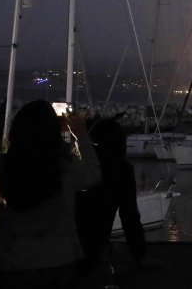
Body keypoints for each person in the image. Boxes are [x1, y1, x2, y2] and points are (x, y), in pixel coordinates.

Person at [0, 100, 101, 289]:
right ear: (53, 133)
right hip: (58, 260)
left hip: (8, 261)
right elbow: (93, 176)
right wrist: (80, 135)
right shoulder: (64, 167)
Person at [74, 116, 146, 286]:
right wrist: (139, 256)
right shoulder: (122, 171)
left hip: (68, 247)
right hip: (95, 251)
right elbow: (130, 217)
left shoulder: (76, 167)